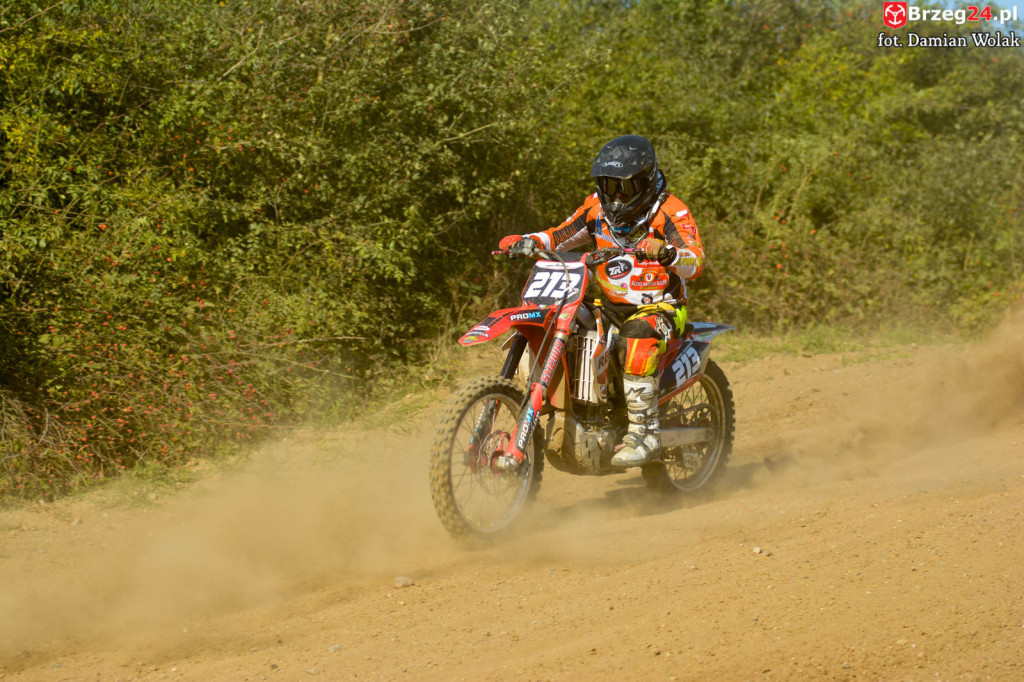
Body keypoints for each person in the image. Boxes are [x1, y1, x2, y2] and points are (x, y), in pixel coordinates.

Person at [498, 135, 705, 468]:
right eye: (609, 185)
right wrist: (526, 240)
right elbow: (559, 235)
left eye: (625, 186)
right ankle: (570, 409)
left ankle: (645, 433)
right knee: (555, 318)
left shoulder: (670, 210)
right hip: (608, 306)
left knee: (638, 334)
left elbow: (695, 260)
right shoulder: (596, 208)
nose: (616, 195)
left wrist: (668, 253)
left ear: (646, 181)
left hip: (663, 307)